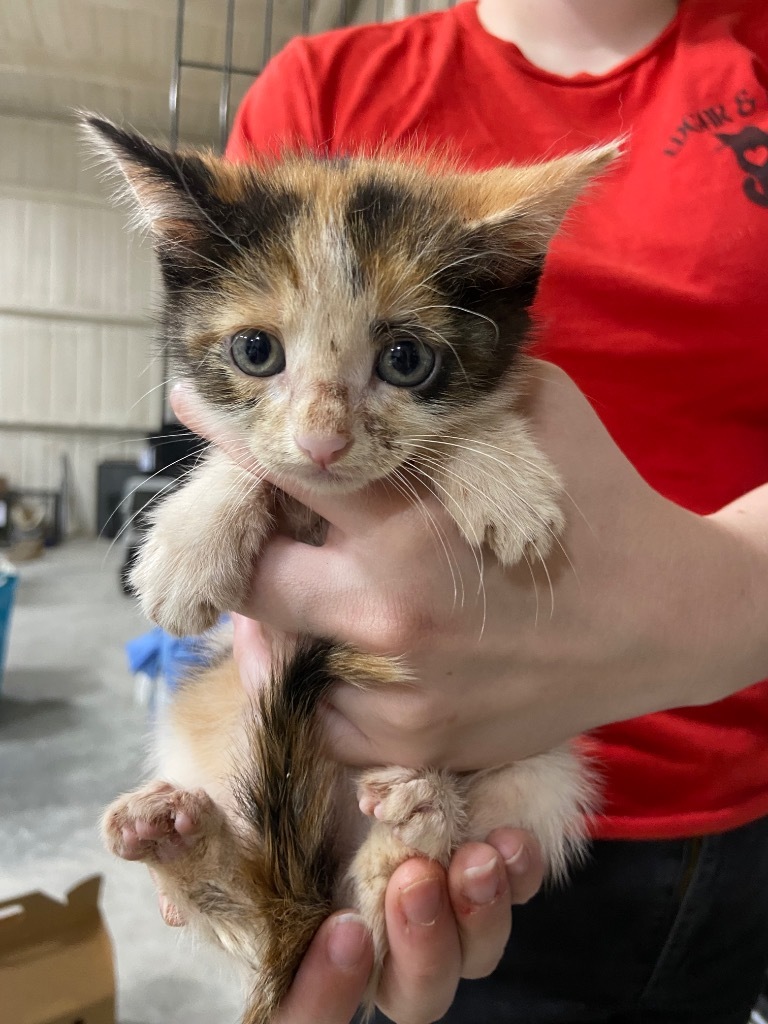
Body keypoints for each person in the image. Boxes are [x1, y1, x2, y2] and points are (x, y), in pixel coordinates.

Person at [171, 1, 768, 1021]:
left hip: (714, 800)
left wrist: (718, 606)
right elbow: (235, 422)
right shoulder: (324, 87)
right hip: (372, 781)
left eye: (403, 356)